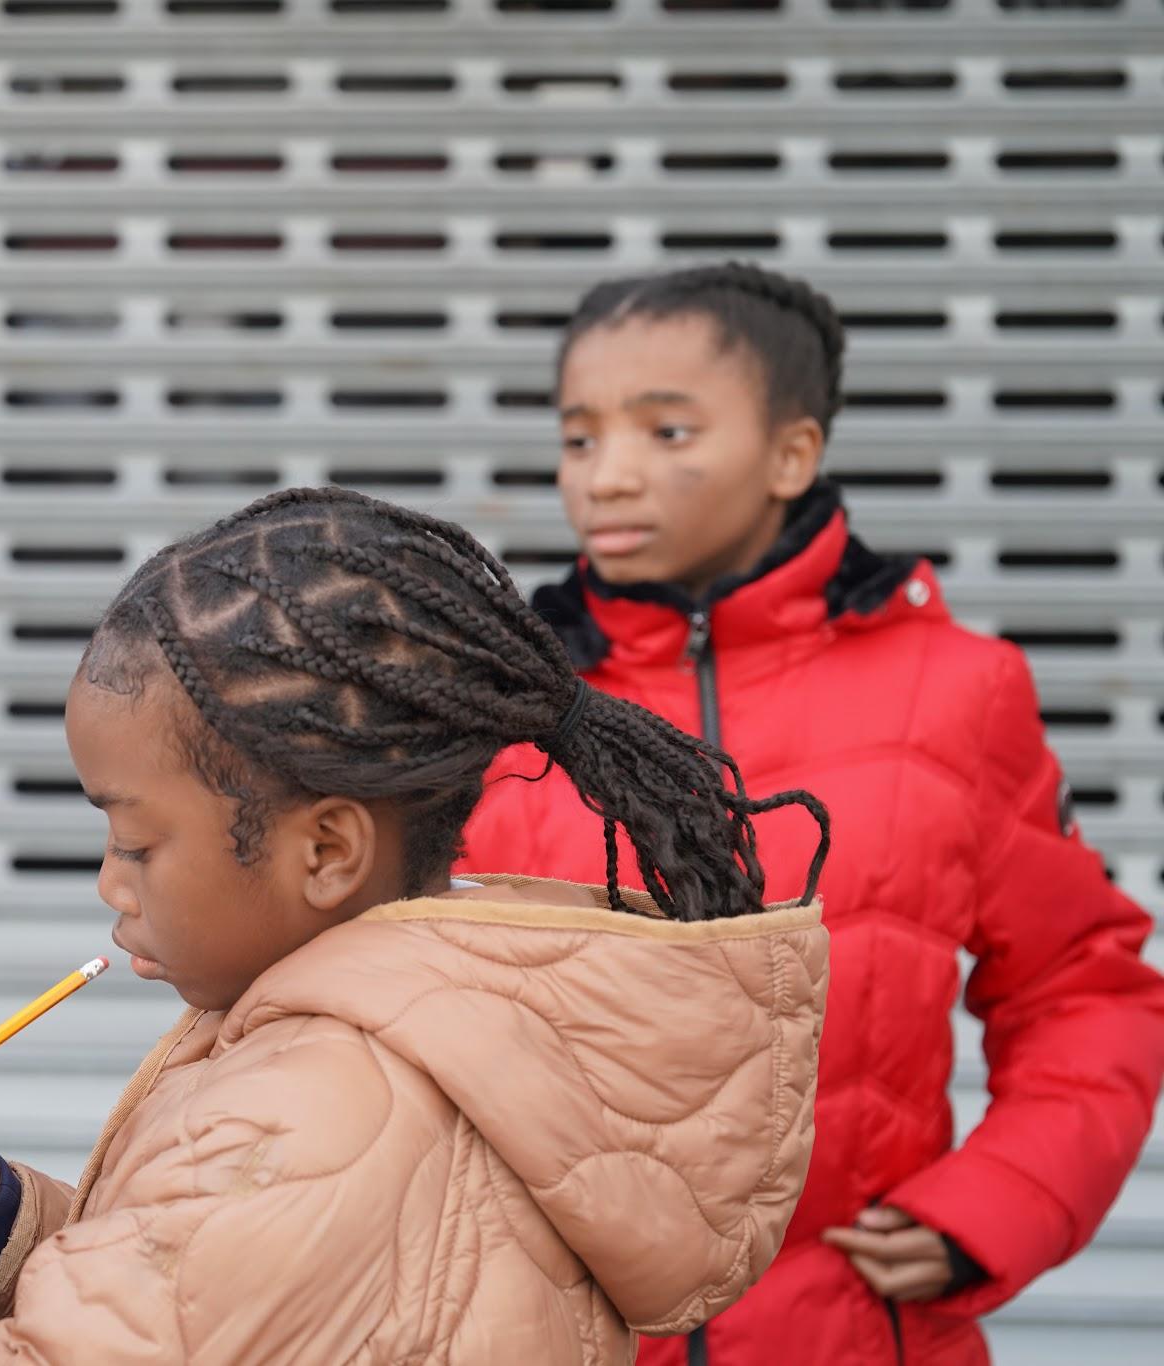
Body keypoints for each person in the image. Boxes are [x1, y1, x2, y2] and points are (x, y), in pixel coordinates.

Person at [0, 486, 832, 1363]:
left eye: (135, 841)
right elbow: (192, 1295)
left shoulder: (314, 1111)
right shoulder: (412, 1036)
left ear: (324, 851)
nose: (109, 885)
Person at [455, 261, 1164, 1365]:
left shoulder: (957, 692)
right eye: (580, 437)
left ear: (792, 453)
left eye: (667, 433)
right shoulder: (497, 706)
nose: (606, 477)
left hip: (850, 1337)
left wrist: (996, 1200)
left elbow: (1083, 984)